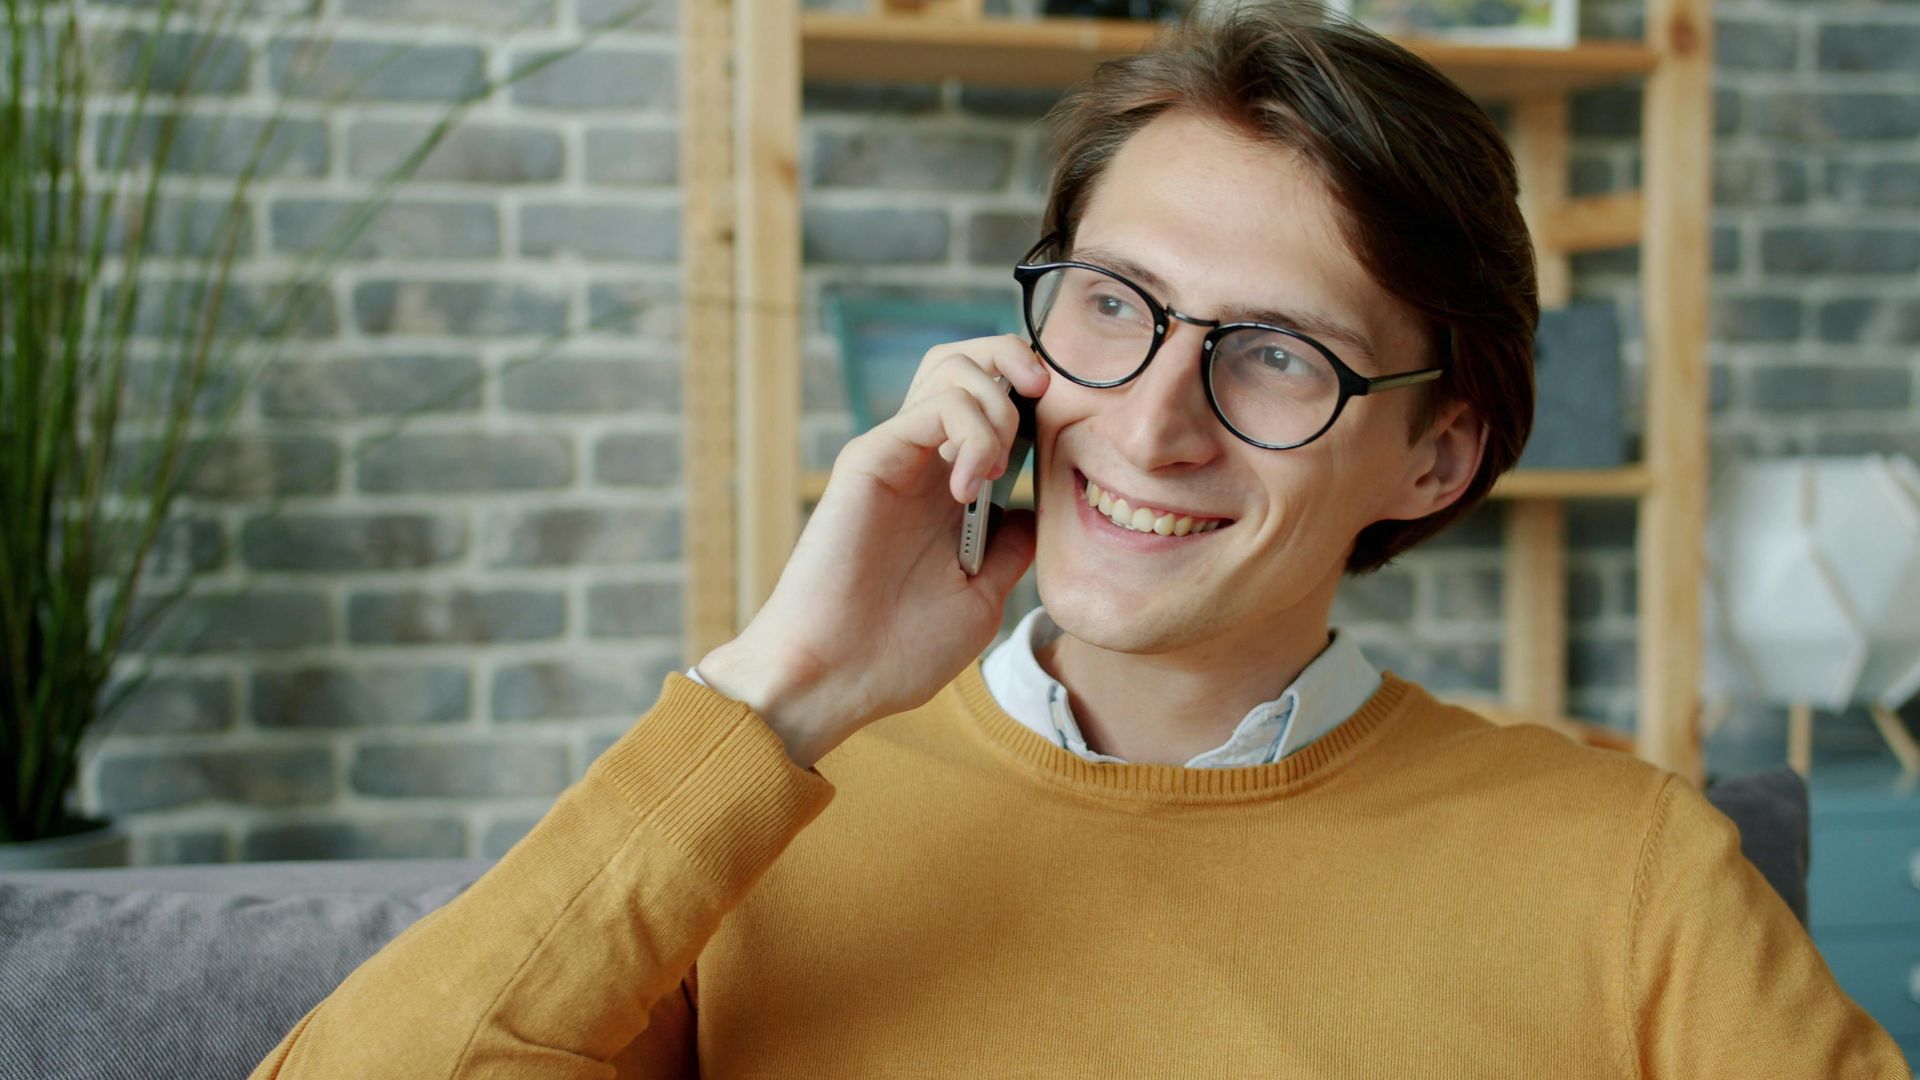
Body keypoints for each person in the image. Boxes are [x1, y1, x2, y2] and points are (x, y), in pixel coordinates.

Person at [250, 4, 1909, 1077]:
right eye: (1114, 305)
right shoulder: (752, 818)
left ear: (1436, 454)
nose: (1153, 420)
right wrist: (783, 689)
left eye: (1277, 352)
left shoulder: (1631, 873)